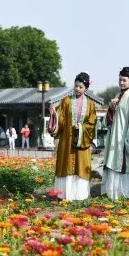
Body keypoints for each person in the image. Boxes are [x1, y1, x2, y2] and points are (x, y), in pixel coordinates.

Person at [48, 72, 98, 201]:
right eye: (76, 86)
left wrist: (81, 128)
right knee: (66, 164)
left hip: (83, 142)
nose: (77, 89)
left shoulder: (91, 104)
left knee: (81, 165)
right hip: (67, 139)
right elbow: (61, 118)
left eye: (80, 87)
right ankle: (65, 194)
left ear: (86, 88)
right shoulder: (66, 101)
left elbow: (92, 123)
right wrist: (54, 115)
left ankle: (80, 195)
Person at [101, 66, 129, 200]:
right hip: (114, 136)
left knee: (121, 164)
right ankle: (111, 192)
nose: (121, 83)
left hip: (123, 138)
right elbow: (110, 119)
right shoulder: (117, 96)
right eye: (120, 80)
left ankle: (122, 193)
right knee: (112, 163)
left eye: (124, 80)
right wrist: (111, 109)